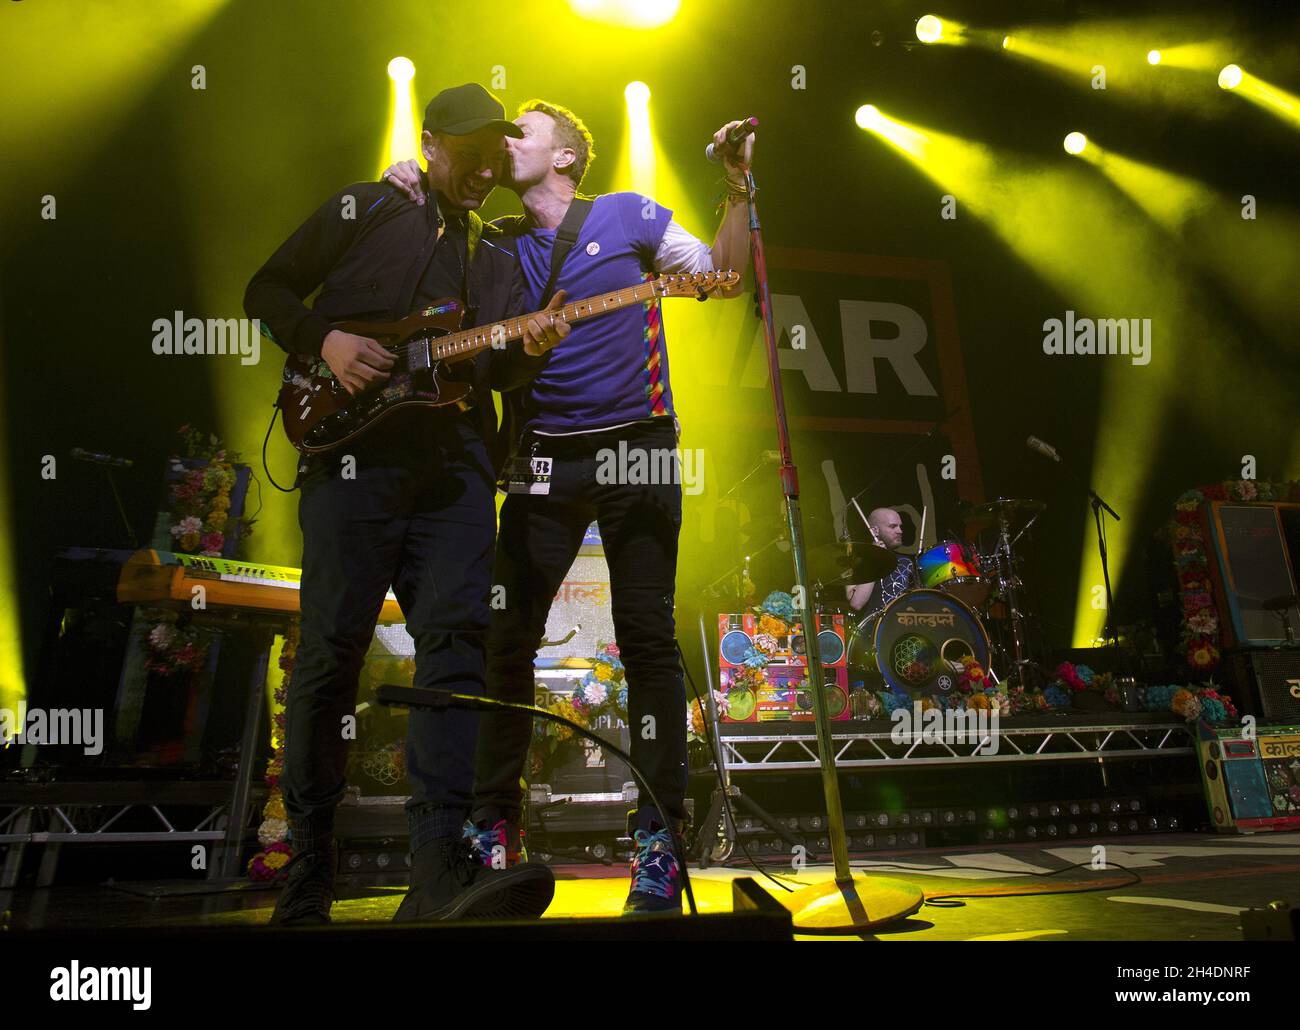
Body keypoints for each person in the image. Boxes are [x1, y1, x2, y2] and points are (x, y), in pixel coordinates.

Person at [383, 100, 752, 912]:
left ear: (567, 154)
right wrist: (407, 182)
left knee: (647, 638)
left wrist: (737, 186)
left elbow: (724, 280)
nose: (505, 139)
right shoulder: (496, 242)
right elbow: (420, 253)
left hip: (639, 446)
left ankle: (658, 841)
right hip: (544, 457)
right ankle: (492, 829)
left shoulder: (628, 213)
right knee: (506, 640)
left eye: (522, 128)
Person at [245, 83, 566, 925]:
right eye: (470, 152)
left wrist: (527, 348)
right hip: (354, 460)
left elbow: (492, 372)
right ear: (430, 144)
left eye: (497, 152)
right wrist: (327, 339)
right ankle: (307, 872)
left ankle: (435, 871)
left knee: (457, 648)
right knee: (329, 654)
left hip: (455, 467)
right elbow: (268, 288)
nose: (487, 167)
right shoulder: (365, 207)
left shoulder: (495, 260)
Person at [845, 508, 917, 617]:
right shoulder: (855, 561)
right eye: (893, 526)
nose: (900, 531)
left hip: (905, 626)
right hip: (874, 630)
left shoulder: (907, 562)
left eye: (900, 526)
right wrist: (875, 560)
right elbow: (856, 603)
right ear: (874, 531)